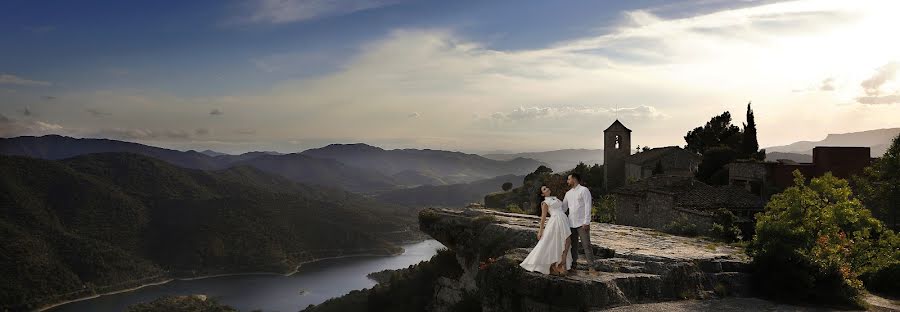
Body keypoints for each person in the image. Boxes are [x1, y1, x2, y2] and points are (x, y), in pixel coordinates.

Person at [519, 185, 573, 275]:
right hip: (555, 221)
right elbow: (543, 217)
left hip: (563, 219)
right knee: (559, 241)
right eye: (544, 189)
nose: (547, 188)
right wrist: (540, 231)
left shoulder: (555, 198)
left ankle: (560, 262)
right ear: (542, 194)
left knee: (567, 241)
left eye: (547, 187)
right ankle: (557, 264)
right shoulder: (545, 202)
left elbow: (563, 208)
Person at [562, 173, 598, 275]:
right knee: (573, 246)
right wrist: (552, 206)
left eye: (569, 179)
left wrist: (586, 222)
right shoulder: (568, 193)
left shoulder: (584, 190)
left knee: (587, 245)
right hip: (571, 223)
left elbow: (588, 206)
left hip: (582, 223)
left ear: (574, 179)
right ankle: (574, 266)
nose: (567, 181)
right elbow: (564, 208)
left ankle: (591, 268)